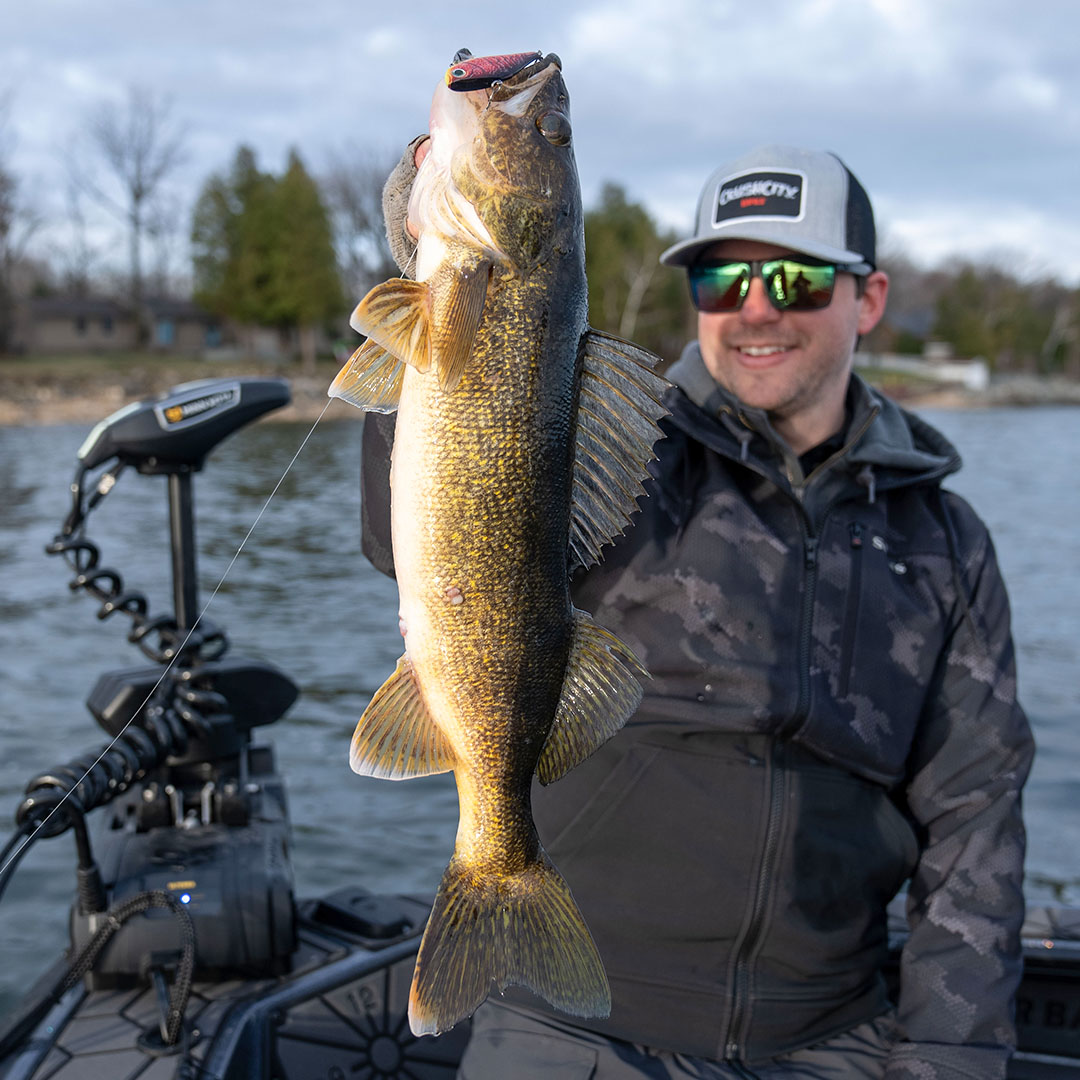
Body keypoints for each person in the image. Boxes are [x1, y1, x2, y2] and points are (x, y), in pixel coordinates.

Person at [362, 143, 1034, 1079]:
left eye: (796, 279)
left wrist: (947, 1059)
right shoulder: (621, 448)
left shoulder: (944, 540)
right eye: (722, 277)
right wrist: (432, 255)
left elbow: (976, 819)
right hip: (574, 1029)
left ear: (868, 299)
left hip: (830, 1034)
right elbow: (435, 504)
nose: (756, 307)